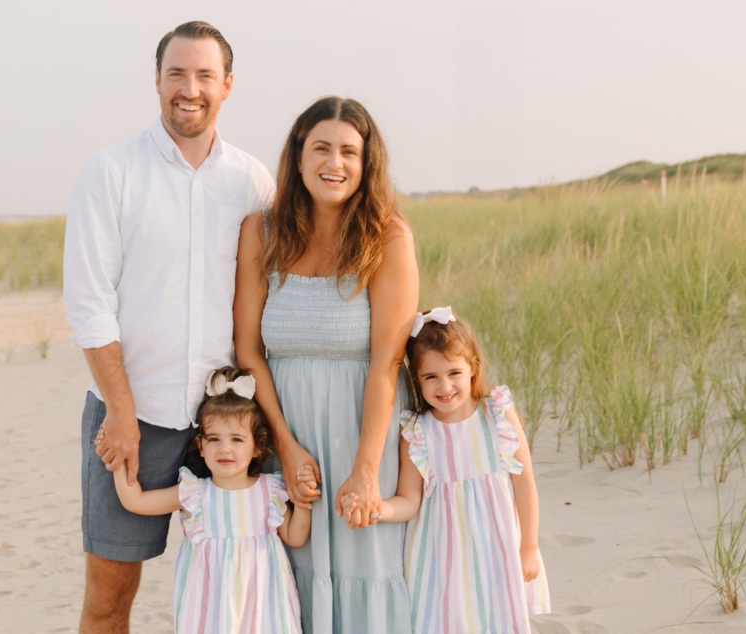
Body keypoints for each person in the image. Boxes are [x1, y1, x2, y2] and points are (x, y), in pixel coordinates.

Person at [62, 21, 275, 633]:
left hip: (231, 420)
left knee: (243, 587)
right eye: (177, 73)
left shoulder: (253, 182)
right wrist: (121, 414)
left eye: (205, 75)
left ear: (227, 85)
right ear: (157, 81)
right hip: (137, 417)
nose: (190, 88)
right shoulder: (111, 172)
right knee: (110, 597)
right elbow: (90, 305)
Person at [234, 96, 419, 633]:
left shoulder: (387, 238)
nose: (333, 163)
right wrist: (285, 448)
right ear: (297, 156)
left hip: (366, 433)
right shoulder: (260, 233)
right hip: (284, 431)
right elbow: (248, 352)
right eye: (321, 148)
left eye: (348, 152)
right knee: (291, 572)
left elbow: (388, 362)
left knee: (369, 569)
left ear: (366, 164)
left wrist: (366, 469)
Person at [343, 307, 551, 633]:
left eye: (454, 373)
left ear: (472, 368)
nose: (445, 386)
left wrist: (528, 547)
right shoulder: (417, 432)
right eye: (431, 377)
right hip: (440, 560)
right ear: (417, 380)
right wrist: (378, 508)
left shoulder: (496, 414)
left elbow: (524, 484)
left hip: (496, 550)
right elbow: (409, 500)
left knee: (500, 619)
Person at [113, 367, 310, 633]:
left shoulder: (269, 490)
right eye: (214, 439)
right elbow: (135, 501)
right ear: (201, 446)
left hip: (263, 605)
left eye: (237, 439)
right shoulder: (194, 494)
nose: (224, 448)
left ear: (256, 448)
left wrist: (304, 500)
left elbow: (295, 537)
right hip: (209, 609)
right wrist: (117, 462)